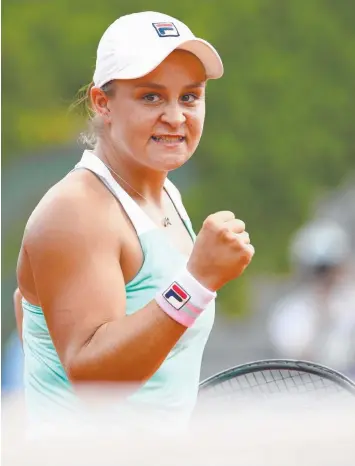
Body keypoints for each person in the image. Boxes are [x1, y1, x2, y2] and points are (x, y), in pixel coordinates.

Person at [16, 11, 254, 432]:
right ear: (102, 102)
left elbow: (27, 305)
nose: (176, 117)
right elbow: (93, 380)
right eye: (151, 97)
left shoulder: (162, 193)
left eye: (190, 97)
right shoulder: (75, 210)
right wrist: (197, 282)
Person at [268, 219, 355, 376]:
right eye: (319, 270)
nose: (325, 277)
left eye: (330, 268)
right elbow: (299, 359)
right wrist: (322, 315)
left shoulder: (351, 302)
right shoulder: (291, 312)